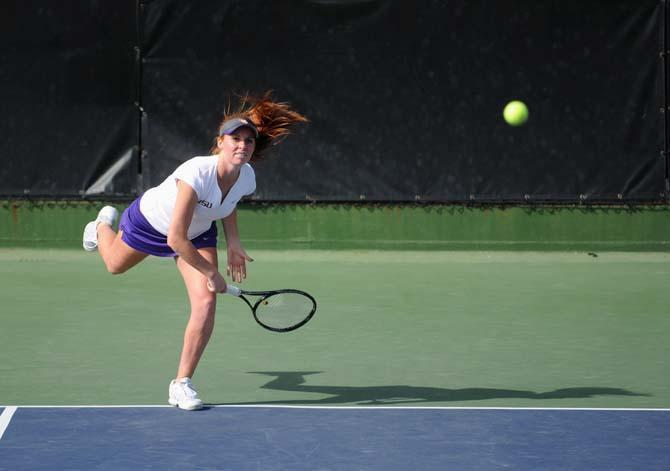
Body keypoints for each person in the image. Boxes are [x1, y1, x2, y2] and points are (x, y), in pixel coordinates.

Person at [82, 92, 307, 410]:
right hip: (152, 223)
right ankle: (101, 226)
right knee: (114, 265)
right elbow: (176, 239)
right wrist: (212, 273)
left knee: (205, 302)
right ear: (221, 142)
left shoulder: (247, 177)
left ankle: (181, 383)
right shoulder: (196, 173)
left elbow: (228, 205)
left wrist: (234, 243)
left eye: (248, 141)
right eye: (235, 139)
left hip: (198, 233)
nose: (242, 145)